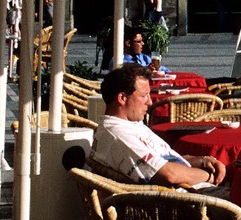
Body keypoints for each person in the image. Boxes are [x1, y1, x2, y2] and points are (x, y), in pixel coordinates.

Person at [91, 64, 227, 189]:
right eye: (144, 95)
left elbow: (163, 160)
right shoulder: (119, 135)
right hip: (191, 204)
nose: (150, 102)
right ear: (122, 98)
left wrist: (204, 161)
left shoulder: (131, 124)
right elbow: (169, 174)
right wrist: (208, 176)